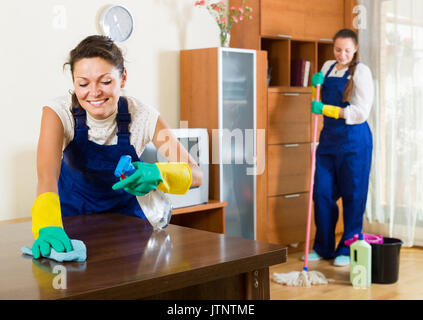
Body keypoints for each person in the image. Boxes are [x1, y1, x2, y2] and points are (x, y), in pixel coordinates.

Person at [30, 35, 203, 259]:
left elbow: (196, 174)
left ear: (123, 79)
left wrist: (158, 173)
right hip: (70, 225)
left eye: (105, 81)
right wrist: (47, 225)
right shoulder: (58, 112)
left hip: (128, 227)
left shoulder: (142, 115)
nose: (94, 92)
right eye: (83, 83)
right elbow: (46, 177)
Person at [308, 28, 374, 266]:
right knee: (322, 193)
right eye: (338, 49)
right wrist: (314, 86)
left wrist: (327, 110)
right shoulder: (327, 67)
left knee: (353, 195)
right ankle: (323, 247)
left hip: (354, 141)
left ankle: (348, 247)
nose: (342, 54)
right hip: (328, 141)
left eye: (347, 50)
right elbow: (318, 101)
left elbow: (361, 112)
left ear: (355, 49)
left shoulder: (361, 72)